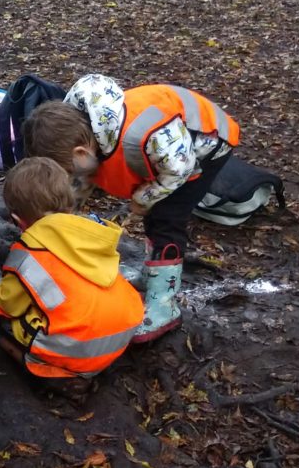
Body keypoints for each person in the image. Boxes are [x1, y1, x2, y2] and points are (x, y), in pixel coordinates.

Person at [23, 75, 239, 341]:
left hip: (204, 147)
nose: (71, 175)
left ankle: (164, 306)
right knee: (153, 213)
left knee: (165, 219)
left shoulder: (143, 134)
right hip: (171, 154)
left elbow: (180, 168)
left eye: (68, 169)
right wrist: (65, 215)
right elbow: (84, 178)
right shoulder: (92, 136)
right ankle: (153, 276)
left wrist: (145, 197)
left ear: (81, 153)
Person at [0, 157, 143, 385]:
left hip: (76, 349)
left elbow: (8, 304)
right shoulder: (94, 232)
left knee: (4, 328)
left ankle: (51, 372)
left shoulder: (28, 254)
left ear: (18, 220)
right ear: (69, 204)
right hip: (120, 335)